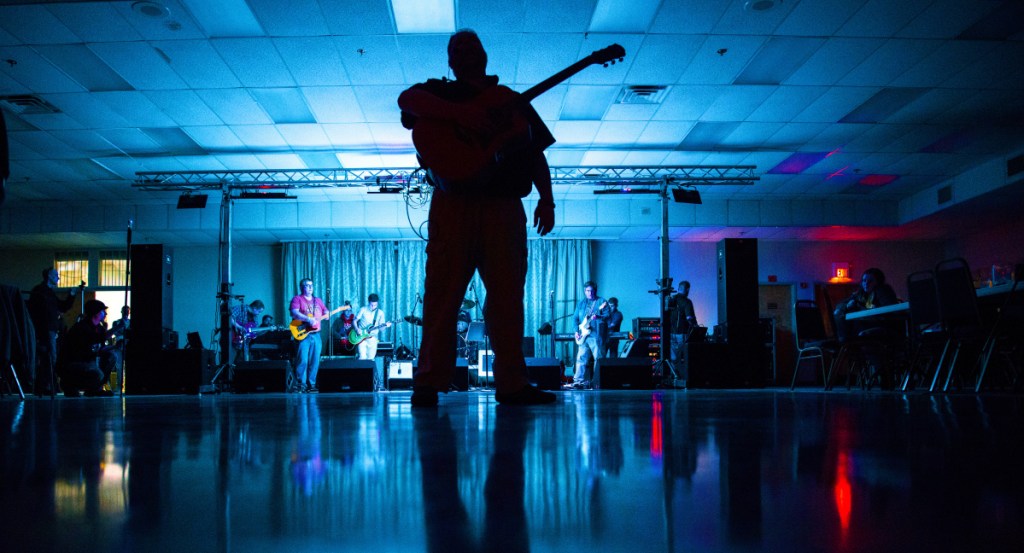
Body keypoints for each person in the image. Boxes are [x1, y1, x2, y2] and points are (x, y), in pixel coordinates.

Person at [398, 29, 556, 406]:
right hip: (453, 202)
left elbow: (535, 153)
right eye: (457, 47)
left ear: (486, 55)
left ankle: (512, 383)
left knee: (506, 297)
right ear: (450, 62)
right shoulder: (438, 92)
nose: (466, 50)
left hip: (502, 203)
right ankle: (429, 380)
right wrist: (462, 114)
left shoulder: (509, 99)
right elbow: (407, 100)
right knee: (441, 294)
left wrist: (547, 198)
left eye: (472, 44)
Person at [27, 267, 83, 395]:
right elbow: (39, 312)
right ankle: (46, 386)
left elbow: (62, 307)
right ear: (49, 276)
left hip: (49, 330)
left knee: (50, 357)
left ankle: (45, 386)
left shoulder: (48, 292)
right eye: (56, 275)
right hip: (45, 330)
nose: (58, 277)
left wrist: (72, 295)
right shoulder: (41, 292)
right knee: (50, 357)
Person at [56, 299, 114, 397]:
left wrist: (114, 347)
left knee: (111, 356)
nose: (105, 314)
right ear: (95, 313)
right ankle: (70, 384)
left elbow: (99, 347)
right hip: (74, 363)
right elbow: (95, 339)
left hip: (88, 360)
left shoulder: (99, 328)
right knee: (96, 373)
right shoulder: (81, 328)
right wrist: (117, 328)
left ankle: (95, 388)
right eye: (102, 311)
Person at [833, 268, 899, 341]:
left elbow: (890, 309)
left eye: (870, 281)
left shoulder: (883, 291)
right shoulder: (860, 293)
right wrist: (847, 306)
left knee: (856, 330)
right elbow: (840, 304)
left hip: (880, 324)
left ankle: (845, 343)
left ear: (878, 282)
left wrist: (877, 309)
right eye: (864, 281)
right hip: (863, 323)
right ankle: (844, 342)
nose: (866, 283)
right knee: (839, 313)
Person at [570, 281, 610, 389]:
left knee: (599, 358)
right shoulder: (581, 303)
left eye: (592, 291)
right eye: (588, 291)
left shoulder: (602, 302)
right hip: (583, 335)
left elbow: (608, 316)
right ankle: (578, 381)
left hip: (596, 335)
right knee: (581, 358)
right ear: (584, 291)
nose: (590, 293)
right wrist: (576, 331)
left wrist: (599, 317)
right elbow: (575, 318)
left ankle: (598, 380)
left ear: (595, 290)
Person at [289, 279, 326, 393]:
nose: (310, 287)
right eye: (307, 285)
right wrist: (307, 319)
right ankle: (301, 384)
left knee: (315, 360)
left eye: (311, 285)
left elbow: (325, 311)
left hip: (316, 334)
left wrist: (328, 314)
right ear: (302, 287)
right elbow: (294, 312)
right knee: (303, 360)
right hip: (303, 333)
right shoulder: (297, 299)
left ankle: (312, 384)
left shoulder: (318, 300)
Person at [353, 294, 391, 361]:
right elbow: (354, 321)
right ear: (368, 302)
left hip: (373, 338)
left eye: (375, 305)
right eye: (371, 305)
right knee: (362, 358)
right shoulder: (363, 309)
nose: (373, 307)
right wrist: (357, 329)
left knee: (371, 359)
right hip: (362, 338)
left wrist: (385, 326)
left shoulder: (380, 313)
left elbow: (381, 329)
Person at [668, 280, 698, 363]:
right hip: (682, 334)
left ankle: (673, 374)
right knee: (682, 357)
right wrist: (696, 327)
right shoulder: (687, 302)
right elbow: (689, 318)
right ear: (687, 289)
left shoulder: (671, 300)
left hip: (670, 333)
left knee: (673, 358)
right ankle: (681, 374)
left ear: (678, 288)